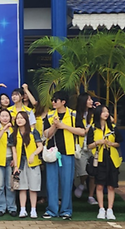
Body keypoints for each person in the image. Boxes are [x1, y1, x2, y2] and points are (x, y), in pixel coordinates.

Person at [42, 90, 85, 220]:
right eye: (53, 100)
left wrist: (63, 126)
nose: (53, 102)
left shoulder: (73, 114)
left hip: (68, 152)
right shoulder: (50, 115)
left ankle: (66, 210)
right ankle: (52, 210)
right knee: (51, 183)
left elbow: (82, 131)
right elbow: (46, 134)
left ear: (63, 102)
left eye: (56, 100)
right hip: (52, 153)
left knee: (67, 183)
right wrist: (54, 126)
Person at [87, 105, 123, 220]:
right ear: (98, 114)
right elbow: (89, 145)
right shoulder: (93, 128)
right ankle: (101, 208)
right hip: (99, 159)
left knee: (111, 185)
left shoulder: (112, 127)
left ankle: (110, 209)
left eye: (107, 111)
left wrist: (111, 144)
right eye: (103, 112)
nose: (106, 113)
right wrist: (98, 142)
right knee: (99, 185)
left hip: (112, 159)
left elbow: (119, 142)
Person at [10, 111, 43, 219]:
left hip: (33, 163)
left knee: (33, 187)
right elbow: (14, 151)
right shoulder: (14, 134)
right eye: (17, 118)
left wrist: (33, 154)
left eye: (22, 118)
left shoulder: (33, 132)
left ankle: (33, 209)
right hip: (20, 163)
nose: (19, 120)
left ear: (26, 120)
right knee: (22, 187)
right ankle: (23, 209)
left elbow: (40, 146)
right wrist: (15, 166)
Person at [0, 109, 16, 216]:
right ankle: (0, 207)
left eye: (7, 116)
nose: (5, 118)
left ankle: (12, 207)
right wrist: (3, 129)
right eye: (2, 116)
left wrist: (15, 160)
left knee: (10, 185)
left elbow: (16, 147)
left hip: (10, 160)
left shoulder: (13, 130)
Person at [74, 93, 97, 204]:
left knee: (93, 172)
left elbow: (111, 119)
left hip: (94, 146)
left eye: (91, 99)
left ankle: (91, 196)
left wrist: (99, 109)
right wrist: (85, 130)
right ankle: (82, 184)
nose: (91, 101)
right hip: (81, 147)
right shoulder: (76, 114)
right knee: (83, 171)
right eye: (89, 99)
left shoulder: (94, 113)